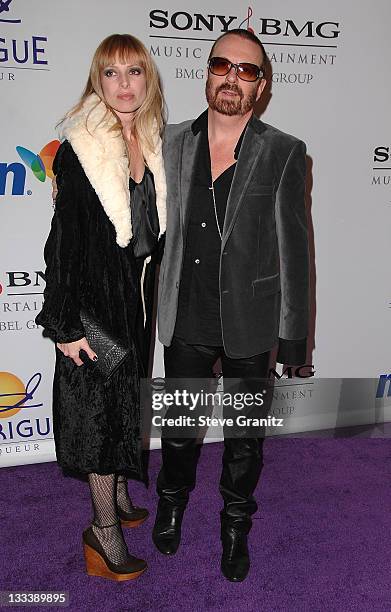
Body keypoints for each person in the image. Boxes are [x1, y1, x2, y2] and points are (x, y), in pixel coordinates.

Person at [153, 29, 309, 582]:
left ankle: (235, 523)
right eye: (223, 65)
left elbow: (295, 251)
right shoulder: (169, 141)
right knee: (179, 429)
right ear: (207, 71)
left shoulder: (285, 152)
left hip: (250, 323)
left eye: (247, 71)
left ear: (261, 86)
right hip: (187, 317)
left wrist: (293, 342)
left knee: (245, 441)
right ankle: (171, 503)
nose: (232, 78)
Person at [36, 33, 166, 581]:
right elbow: (60, 241)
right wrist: (64, 324)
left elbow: (148, 234)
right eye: (110, 73)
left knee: (118, 410)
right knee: (96, 419)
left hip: (128, 303)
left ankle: (116, 497)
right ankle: (102, 531)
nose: (123, 84)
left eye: (133, 71)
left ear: (148, 79)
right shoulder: (79, 148)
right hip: (90, 308)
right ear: (97, 80)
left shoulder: (152, 140)